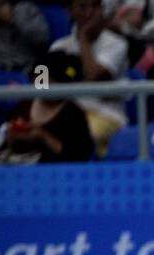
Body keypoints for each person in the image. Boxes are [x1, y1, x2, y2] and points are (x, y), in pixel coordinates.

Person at [49, 0, 130, 155]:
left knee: (78, 136)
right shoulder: (58, 47)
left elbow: (93, 77)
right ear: (69, 11)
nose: (91, 12)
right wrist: (42, 76)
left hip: (105, 115)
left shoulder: (117, 44)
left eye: (96, 6)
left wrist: (84, 40)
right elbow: (39, 85)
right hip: (65, 115)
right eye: (83, 6)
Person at [0, 53, 96, 165]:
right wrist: (11, 139)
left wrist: (43, 137)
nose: (44, 85)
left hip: (55, 175)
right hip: (18, 172)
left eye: (50, 81)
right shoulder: (23, 106)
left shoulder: (74, 115)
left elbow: (79, 159)